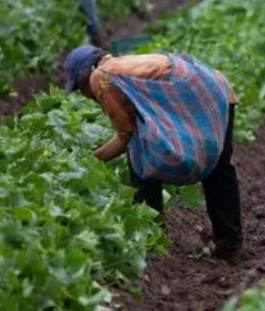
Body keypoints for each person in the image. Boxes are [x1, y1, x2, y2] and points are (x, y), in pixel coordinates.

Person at [63, 46, 243, 260]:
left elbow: (125, 136)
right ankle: (229, 243)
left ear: (85, 75)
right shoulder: (121, 65)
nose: (85, 95)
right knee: (219, 167)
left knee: (140, 160)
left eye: (79, 89)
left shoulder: (100, 77)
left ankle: (150, 235)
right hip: (216, 88)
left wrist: (90, 160)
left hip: (196, 94)